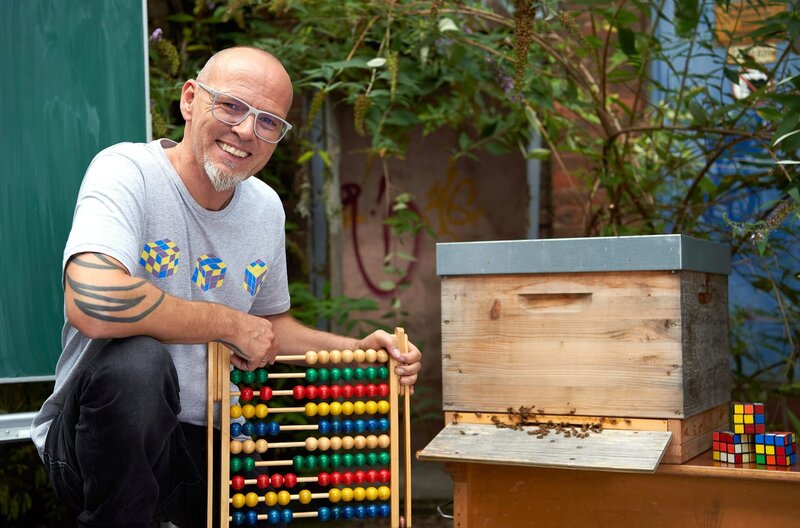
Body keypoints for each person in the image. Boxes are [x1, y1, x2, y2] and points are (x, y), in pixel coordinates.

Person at [31, 46, 422, 528]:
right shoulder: (126, 172)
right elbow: (92, 301)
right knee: (137, 364)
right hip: (98, 442)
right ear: (190, 99)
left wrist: (354, 351)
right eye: (231, 105)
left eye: (268, 122)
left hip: (213, 449)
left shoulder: (264, 208)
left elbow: (269, 327)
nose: (245, 131)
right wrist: (228, 322)